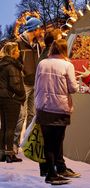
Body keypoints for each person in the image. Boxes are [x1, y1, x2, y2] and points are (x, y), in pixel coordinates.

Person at [34, 39, 80, 185]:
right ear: (64, 50)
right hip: (59, 108)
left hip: (43, 107)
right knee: (57, 142)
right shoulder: (68, 65)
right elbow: (73, 88)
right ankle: (52, 174)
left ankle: (54, 170)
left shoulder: (42, 63)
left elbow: (36, 84)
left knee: (48, 143)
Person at [13, 16, 44, 152]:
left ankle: (27, 144)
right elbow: (15, 61)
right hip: (24, 83)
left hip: (35, 83)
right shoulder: (19, 43)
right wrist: (24, 72)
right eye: (39, 29)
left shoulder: (37, 45)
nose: (41, 31)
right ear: (34, 29)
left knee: (32, 114)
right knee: (22, 115)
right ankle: (13, 144)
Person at [0, 42, 26, 163]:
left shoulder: (2, 64)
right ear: (13, 52)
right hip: (11, 99)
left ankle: (2, 153)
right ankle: (10, 154)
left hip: (2, 98)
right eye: (17, 51)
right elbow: (15, 85)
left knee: (4, 127)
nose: (19, 52)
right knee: (10, 127)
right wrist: (21, 95)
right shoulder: (12, 66)